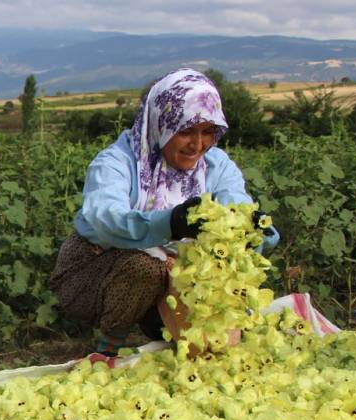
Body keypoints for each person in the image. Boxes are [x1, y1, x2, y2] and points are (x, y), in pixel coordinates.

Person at [50, 68, 279, 356]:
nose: (198, 145)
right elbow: (104, 219)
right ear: (161, 125)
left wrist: (252, 228)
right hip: (94, 271)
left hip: (172, 275)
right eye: (186, 131)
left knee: (211, 320)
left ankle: (163, 328)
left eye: (207, 132)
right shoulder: (117, 162)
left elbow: (237, 205)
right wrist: (170, 222)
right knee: (146, 266)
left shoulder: (216, 166)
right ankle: (108, 348)